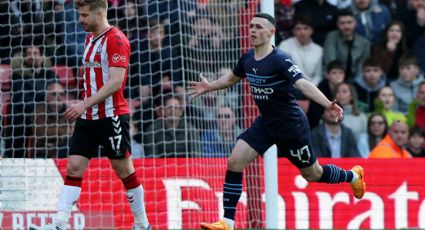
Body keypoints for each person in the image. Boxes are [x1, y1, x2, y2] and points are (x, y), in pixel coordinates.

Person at [188, 13, 366, 230]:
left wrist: (327, 103)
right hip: (266, 123)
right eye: (251, 26)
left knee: (313, 174)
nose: (252, 30)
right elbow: (232, 78)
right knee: (235, 161)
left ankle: (353, 176)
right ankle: (227, 222)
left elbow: (302, 84)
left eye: (259, 27)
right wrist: (209, 86)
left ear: (271, 33)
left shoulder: (280, 59)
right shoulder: (247, 59)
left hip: (291, 126)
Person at [30, 1, 150, 230]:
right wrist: (84, 106)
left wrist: (83, 104)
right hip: (88, 117)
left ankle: (142, 223)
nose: (80, 19)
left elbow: (116, 82)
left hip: (111, 116)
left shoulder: (116, 40)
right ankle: (60, 223)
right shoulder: (89, 39)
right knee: (74, 166)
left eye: (84, 15)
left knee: (124, 170)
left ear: (99, 13)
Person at [323, 9, 370, 81]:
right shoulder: (331, 37)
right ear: (337, 24)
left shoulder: (364, 43)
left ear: (355, 23)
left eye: (349, 22)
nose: (346, 26)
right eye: (342, 23)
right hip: (334, 78)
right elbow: (331, 64)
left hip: (355, 81)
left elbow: (361, 68)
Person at [31, 82, 71, 158]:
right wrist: (66, 132)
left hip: (65, 149)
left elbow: (75, 132)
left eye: (61, 94)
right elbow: (43, 133)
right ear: (47, 96)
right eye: (54, 94)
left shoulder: (69, 110)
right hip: (44, 152)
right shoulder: (38, 111)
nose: (58, 97)